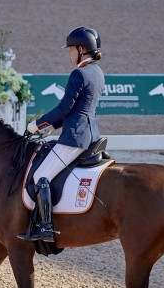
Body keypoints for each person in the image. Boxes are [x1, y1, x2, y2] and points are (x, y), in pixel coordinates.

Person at [18, 26, 104, 243]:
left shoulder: (79, 73)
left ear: (82, 49)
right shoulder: (97, 72)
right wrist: (51, 127)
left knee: (40, 176)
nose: (69, 54)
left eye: (71, 50)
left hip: (75, 137)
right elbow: (77, 109)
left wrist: (37, 124)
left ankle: (44, 226)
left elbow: (65, 107)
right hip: (91, 134)